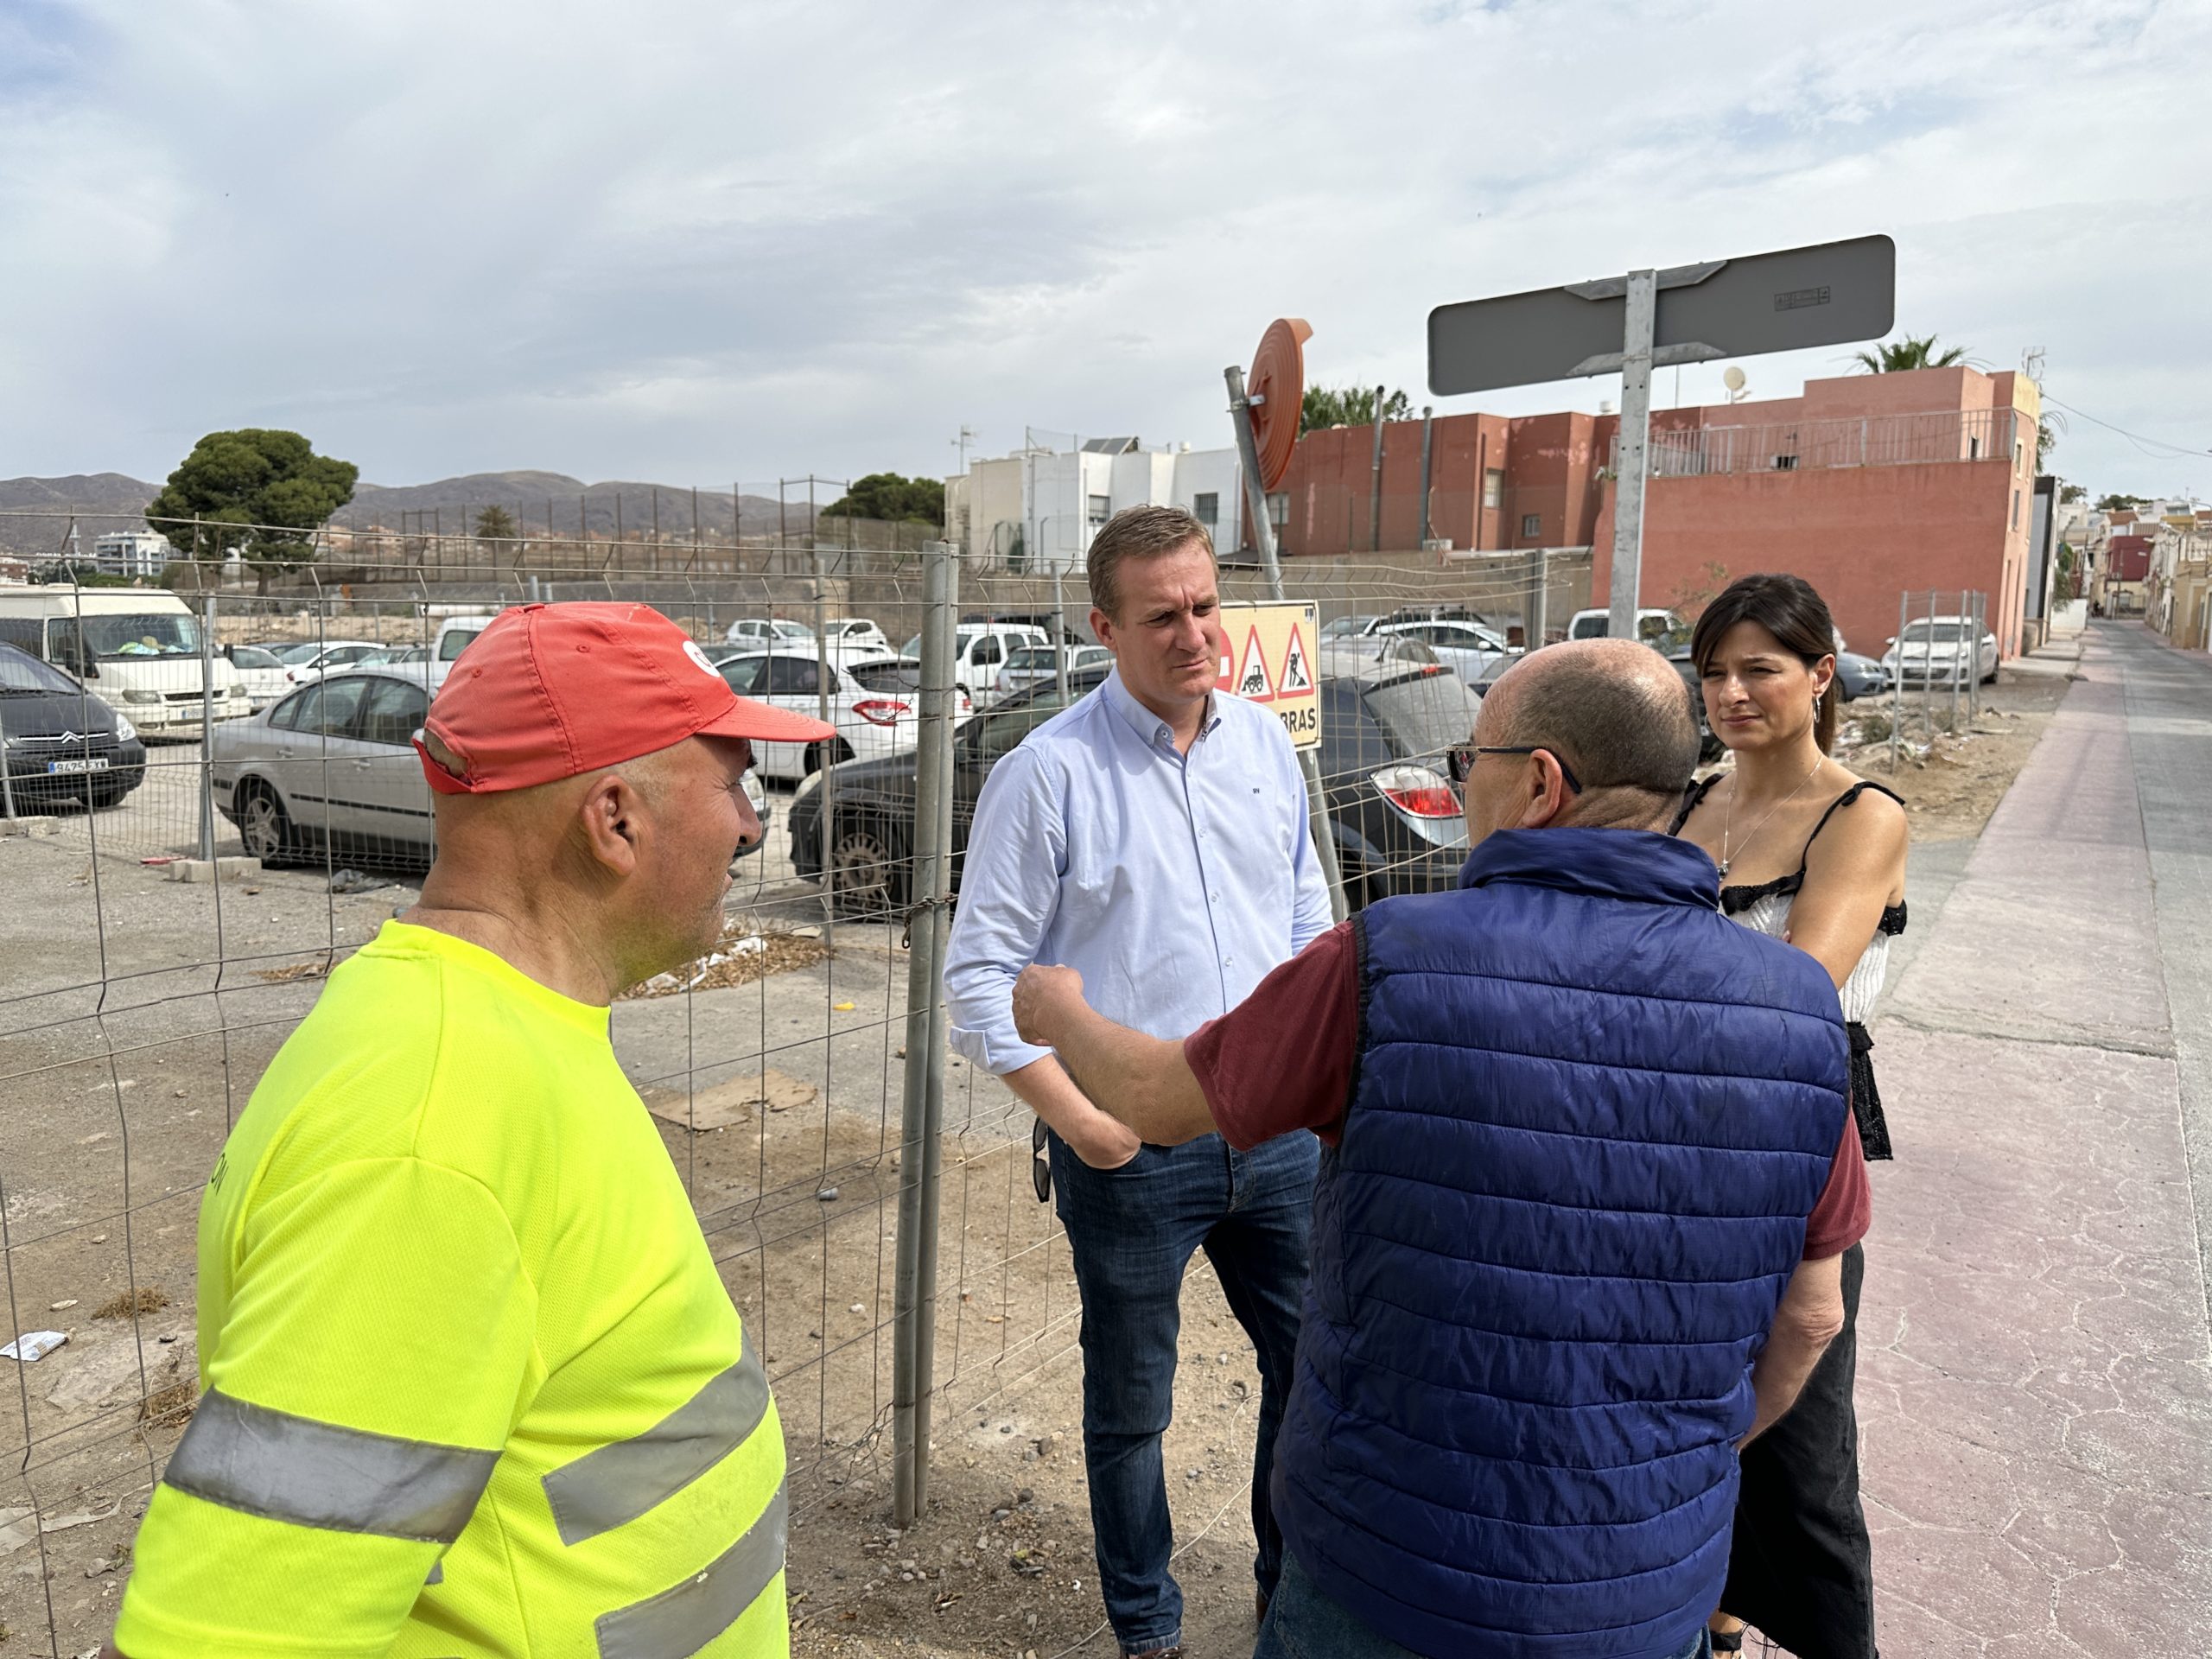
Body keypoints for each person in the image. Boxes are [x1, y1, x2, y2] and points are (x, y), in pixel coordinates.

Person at [1008, 638, 1870, 1659]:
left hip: (1387, 1574)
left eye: (1472, 765)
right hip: (1644, 1591)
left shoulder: (1388, 960)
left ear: (1540, 782)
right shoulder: (1799, 1012)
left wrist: (1056, 1007)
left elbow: (1156, 1098)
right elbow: (1813, 1318)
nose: (1462, 792)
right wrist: (1683, 1454)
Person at [110, 603, 836, 1659]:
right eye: (731, 783)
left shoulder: (495, 1032)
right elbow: (232, 1633)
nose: (752, 824)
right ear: (614, 818)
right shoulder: (432, 1131)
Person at [943, 505, 1333, 1659]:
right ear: (1104, 628)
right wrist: (1083, 1124)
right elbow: (978, 980)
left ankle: (1282, 1584)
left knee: (1312, 1369)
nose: (1193, 634)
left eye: (1206, 606)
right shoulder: (1047, 774)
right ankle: (1148, 1629)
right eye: (1162, 616)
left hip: (1277, 1141)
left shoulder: (1266, 747)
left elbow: (1309, 919)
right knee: (1132, 1409)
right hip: (1128, 1153)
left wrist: (1317, 1086)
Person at [1672, 573, 1909, 1659]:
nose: (1731, 691)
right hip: (1671, 1133)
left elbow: (1800, 991)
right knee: (1681, 1399)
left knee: (1801, 1425)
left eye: (1759, 668)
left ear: (1820, 675)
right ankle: (1712, 1620)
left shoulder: (1864, 816)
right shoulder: (1685, 799)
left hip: (1793, 1134)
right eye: (1714, 669)